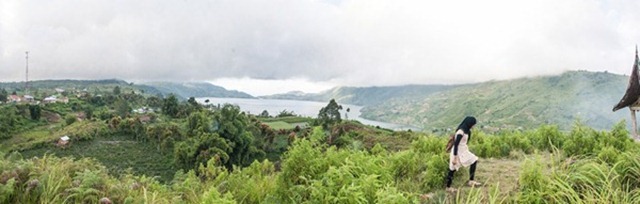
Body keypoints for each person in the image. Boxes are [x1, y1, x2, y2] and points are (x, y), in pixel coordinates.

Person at [445, 116, 481, 193]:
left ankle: (471, 181)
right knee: (452, 169)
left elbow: (464, 143)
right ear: (469, 123)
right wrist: (454, 157)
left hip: (464, 151)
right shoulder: (460, 132)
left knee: (474, 160)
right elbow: (456, 145)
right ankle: (448, 187)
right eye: (473, 124)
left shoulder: (467, 131)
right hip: (457, 152)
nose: (473, 126)